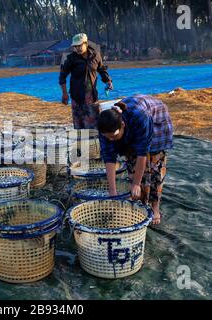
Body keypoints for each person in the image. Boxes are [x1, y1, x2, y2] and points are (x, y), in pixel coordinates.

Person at [97, 95, 174, 225]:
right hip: (132, 124)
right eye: (107, 137)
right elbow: (109, 157)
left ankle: (155, 206)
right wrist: (112, 191)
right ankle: (141, 199)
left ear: (122, 124)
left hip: (156, 120)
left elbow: (142, 153)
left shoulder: (140, 117)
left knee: (154, 168)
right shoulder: (105, 126)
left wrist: (137, 184)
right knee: (132, 163)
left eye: (113, 136)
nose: (110, 140)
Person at [59, 33, 113, 129]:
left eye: (79, 45)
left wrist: (108, 81)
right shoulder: (71, 58)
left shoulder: (96, 56)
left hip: (91, 97)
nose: (77, 48)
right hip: (76, 98)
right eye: (75, 46)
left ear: (86, 43)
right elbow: (62, 76)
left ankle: (94, 143)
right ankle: (82, 143)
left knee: (94, 126)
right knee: (79, 128)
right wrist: (65, 94)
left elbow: (101, 70)